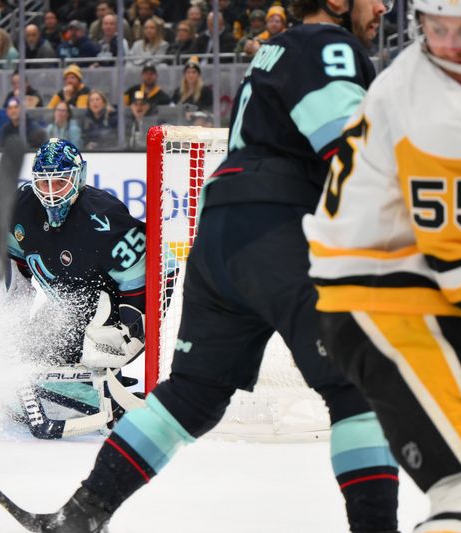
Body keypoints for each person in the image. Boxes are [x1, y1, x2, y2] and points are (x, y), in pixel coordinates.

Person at [37, 0, 399, 527]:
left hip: (220, 239)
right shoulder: (330, 44)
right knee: (361, 384)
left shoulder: (273, 51)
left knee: (193, 396)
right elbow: (350, 152)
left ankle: (81, 514)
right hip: (279, 229)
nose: (384, 5)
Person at [303, 1, 461, 531]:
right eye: (439, 29)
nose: (451, 43)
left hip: (407, 287)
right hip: (379, 299)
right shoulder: (430, 108)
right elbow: (453, 261)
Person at [2, 138, 148, 438]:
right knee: (22, 355)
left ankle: (99, 390)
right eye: (44, 184)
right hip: (63, 306)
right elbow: (16, 263)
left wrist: (132, 326)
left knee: (88, 355)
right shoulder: (22, 207)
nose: (52, 193)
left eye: (61, 182)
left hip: (107, 308)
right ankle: (85, 388)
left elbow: (146, 277)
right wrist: (2, 306)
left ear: (79, 177)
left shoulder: (105, 218)